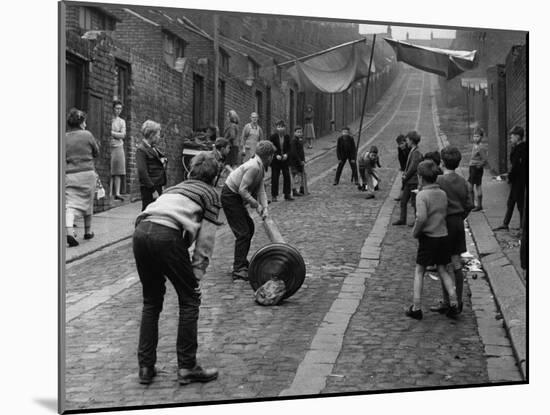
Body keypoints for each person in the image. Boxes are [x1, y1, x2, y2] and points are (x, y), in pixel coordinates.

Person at [133, 151, 222, 386]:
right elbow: (206, 240)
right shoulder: (211, 194)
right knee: (190, 300)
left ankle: (145, 367)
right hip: (167, 235)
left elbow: (151, 212)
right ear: (214, 177)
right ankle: (187, 367)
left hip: (141, 231)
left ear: (191, 171)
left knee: (151, 300)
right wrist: (197, 273)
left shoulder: (175, 187)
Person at [406, 160, 459, 320]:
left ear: (420, 177)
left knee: (419, 271)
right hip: (443, 236)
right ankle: (454, 303)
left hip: (428, 238)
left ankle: (416, 307)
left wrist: (415, 232)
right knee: (443, 269)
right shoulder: (442, 194)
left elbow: (421, 217)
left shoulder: (422, 195)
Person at [221, 141, 275, 281]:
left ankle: (242, 262)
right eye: (272, 156)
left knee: (249, 227)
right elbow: (243, 190)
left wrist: (265, 208)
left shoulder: (260, 166)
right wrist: (256, 205)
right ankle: (238, 269)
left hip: (236, 197)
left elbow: (260, 189)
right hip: (230, 196)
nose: (273, 159)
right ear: (268, 156)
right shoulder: (253, 167)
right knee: (243, 232)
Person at [431, 146, 474, 315]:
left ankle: (448, 301)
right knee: (456, 263)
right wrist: (461, 216)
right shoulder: (463, 181)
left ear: (442, 162)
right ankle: (460, 300)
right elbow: (470, 204)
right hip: (457, 223)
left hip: (444, 223)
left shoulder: (440, 180)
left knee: (442, 263)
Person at [65, 108, 100, 247]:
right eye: (84, 122)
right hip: (87, 173)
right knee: (88, 202)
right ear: (80, 123)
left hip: (70, 175)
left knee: (69, 205)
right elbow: (96, 152)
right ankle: (87, 231)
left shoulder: (64, 137)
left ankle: (69, 231)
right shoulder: (87, 135)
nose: (85, 124)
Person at [494, 125, 527, 231]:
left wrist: (510, 176)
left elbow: (517, 166)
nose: (510, 139)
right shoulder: (517, 148)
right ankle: (505, 223)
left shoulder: (522, 149)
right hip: (516, 180)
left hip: (520, 181)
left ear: (518, 137)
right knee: (511, 202)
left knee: (520, 204)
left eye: (512, 137)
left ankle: (523, 228)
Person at [136, 120, 167, 211]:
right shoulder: (141, 150)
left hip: (157, 186)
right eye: (157, 135)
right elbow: (142, 172)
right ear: (151, 135)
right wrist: (153, 190)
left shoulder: (152, 148)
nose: (158, 137)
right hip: (150, 188)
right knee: (148, 212)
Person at [393, 131, 423, 226]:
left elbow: (413, 167)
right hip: (409, 181)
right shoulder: (412, 150)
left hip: (413, 181)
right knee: (403, 201)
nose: (407, 142)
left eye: (408, 140)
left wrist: (406, 175)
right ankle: (402, 219)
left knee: (414, 202)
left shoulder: (416, 152)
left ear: (412, 141)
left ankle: (416, 220)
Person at [269, 120, 294, 202]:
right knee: (275, 177)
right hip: (276, 161)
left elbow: (290, 148)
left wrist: (286, 154)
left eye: (282, 127)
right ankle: (274, 195)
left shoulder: (287, 137)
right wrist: (276, 155)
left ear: (285, 128)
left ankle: (287, 194)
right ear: (276, 128)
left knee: (287, 176)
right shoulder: (273, 137)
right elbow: (270, 147)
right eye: (279, 127)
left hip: (285, 160)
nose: (280, 129)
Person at [468, 127, 488, 212]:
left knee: (473, 186)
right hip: (473, 168)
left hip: (475, 169)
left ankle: (477, 205)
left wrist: (479, 166)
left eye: (477, 136)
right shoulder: (475, 146)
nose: (475, 138)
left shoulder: (480, 147)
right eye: (474, 136)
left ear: (481, 137)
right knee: (473, 186)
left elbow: (485, 159)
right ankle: (474, 204)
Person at [110, 100, 127, 201]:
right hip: (110, 146)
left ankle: (117, 193)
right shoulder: (110, 119)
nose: (118, 110)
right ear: (113, 108)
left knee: (118, 170)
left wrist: (111, 133)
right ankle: (109, 193)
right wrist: (117, 134)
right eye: (117, 108)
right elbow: (119, 134)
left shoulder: (122, 121)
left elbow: (123, 135)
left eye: (120, 109)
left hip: (119, 147)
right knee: (110, 170)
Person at [289, 125, 306, 197]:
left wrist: (303, 160)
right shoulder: (293, 141)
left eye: (300, 132)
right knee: (293, 176)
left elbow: (302, 152)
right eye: (298, 132)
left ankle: (302, 189)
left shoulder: (300, 140)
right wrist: (299, 161)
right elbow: (294, 153)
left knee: (302, 175)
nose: (299, 133)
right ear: (294, 133)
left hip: (300, 161)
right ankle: (294, 190)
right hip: (294, 162)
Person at [395, 134, 410, 201]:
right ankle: (402, 195)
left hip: (410, 167)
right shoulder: (399, 149)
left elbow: (410, 159)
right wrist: (403, 168)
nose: (400, 145)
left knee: (407, 181)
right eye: (399, 144)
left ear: (405, 142)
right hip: (405, 168)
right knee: (404, 181)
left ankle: (405, 196)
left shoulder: (409, 148)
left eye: (402, 143)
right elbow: (400, 159)